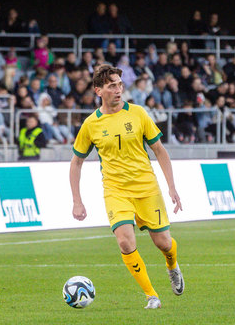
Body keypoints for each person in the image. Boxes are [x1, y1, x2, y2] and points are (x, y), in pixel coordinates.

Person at [70, 64, 184, 309]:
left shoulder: (139, 113)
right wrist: (77, 200)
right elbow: (76, 162)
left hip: (146, 187)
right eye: (112, 86)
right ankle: (151, 295)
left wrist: (171, 187)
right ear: (98, 90)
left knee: (163, 243)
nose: (118, 90)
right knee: (124, 242)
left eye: (120, 85)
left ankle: (172, 265)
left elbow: (159, 150)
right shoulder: (91, 125)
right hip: (115, 190)